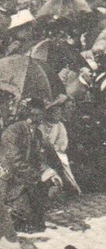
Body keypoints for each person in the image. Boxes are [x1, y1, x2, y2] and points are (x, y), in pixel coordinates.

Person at [0, 97, 62, 233]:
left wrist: (49, 172)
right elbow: (14, 162)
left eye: (40, 113)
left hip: (26, 179)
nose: (37, 117)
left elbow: (38, 159)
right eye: (34, 113)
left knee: (53, 185)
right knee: (24, 217)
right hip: (10, 179)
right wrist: (37, 177)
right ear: (28, 113)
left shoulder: (37, 134)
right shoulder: (13, 131)